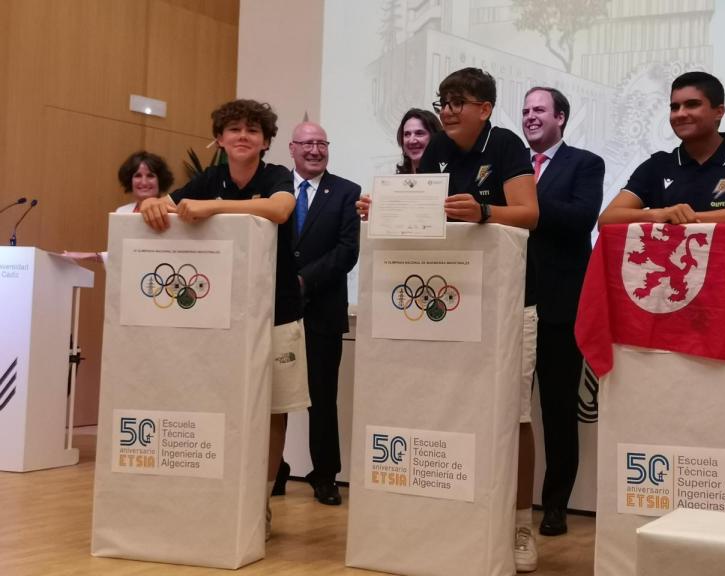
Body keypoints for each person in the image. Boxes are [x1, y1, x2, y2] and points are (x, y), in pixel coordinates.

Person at [357, 67, 539, 572]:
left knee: (515, 413)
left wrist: (484, 212)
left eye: (459, 101)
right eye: (444, 101)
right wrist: (382, 208)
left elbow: (529, 213)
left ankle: (520, 522)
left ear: (485, 108)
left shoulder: (506, 145)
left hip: (506, 303)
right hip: (449, 301)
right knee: (446, 406)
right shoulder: (436, 148)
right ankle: (450, 514)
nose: (449, 111)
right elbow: (423, 213)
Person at [139, 99, 310, 540]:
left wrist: (213, 208)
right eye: (234, 129)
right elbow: (162, 206)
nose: (243, 136)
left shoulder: (276, 175)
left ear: (266, 141)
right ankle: (217, 496)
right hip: (221, 318)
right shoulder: (209, 180)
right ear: (219, 139)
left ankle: (259, 504)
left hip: (278, 311)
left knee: (274, 411)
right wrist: (153, 204)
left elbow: (279, 210)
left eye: (253, 130)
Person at [520, 86, 604, 538]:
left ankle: (555, 505)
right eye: (525, 111)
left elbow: (581, 218)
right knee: (507, 411)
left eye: (540, 110)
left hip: (560, 308)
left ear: (561, 118)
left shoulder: (585, 163)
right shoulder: (511, 166)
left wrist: (525, 201)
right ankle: (507, 500)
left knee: (557, 414)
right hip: (510, 305)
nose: (530, 117)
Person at [275, 121, 360, 506]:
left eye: (322, 143)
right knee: (274, 397)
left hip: (323, 311)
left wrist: (304, 280)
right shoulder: (275, 191)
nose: (315, 150)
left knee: (322, 398)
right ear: (292, 148)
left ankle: (325, 475)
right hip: (276, 311)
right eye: (307, 144)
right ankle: (274, 470)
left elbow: (347, 251)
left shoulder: (346, 192)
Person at [598, 71, 725, 226]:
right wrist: (658, 214)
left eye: (692, 104)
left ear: (719, 112)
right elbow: (607, 219)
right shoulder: (657, 165)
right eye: (674, 107)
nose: (680, 114)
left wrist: (691, 219)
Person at [64, 151, 174, 263]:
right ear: (130, 181)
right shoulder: (121, 212)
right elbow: (118, 253)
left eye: (150, 176)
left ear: (160, 180)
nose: (144, 182)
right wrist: (87, 256)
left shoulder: (172, 211)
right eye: (138, 176)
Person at [396, 108, 442, 174]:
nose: (411, 141)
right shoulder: (395, 180)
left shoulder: (450, 177)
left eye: (419, 133)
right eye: (407, 134)